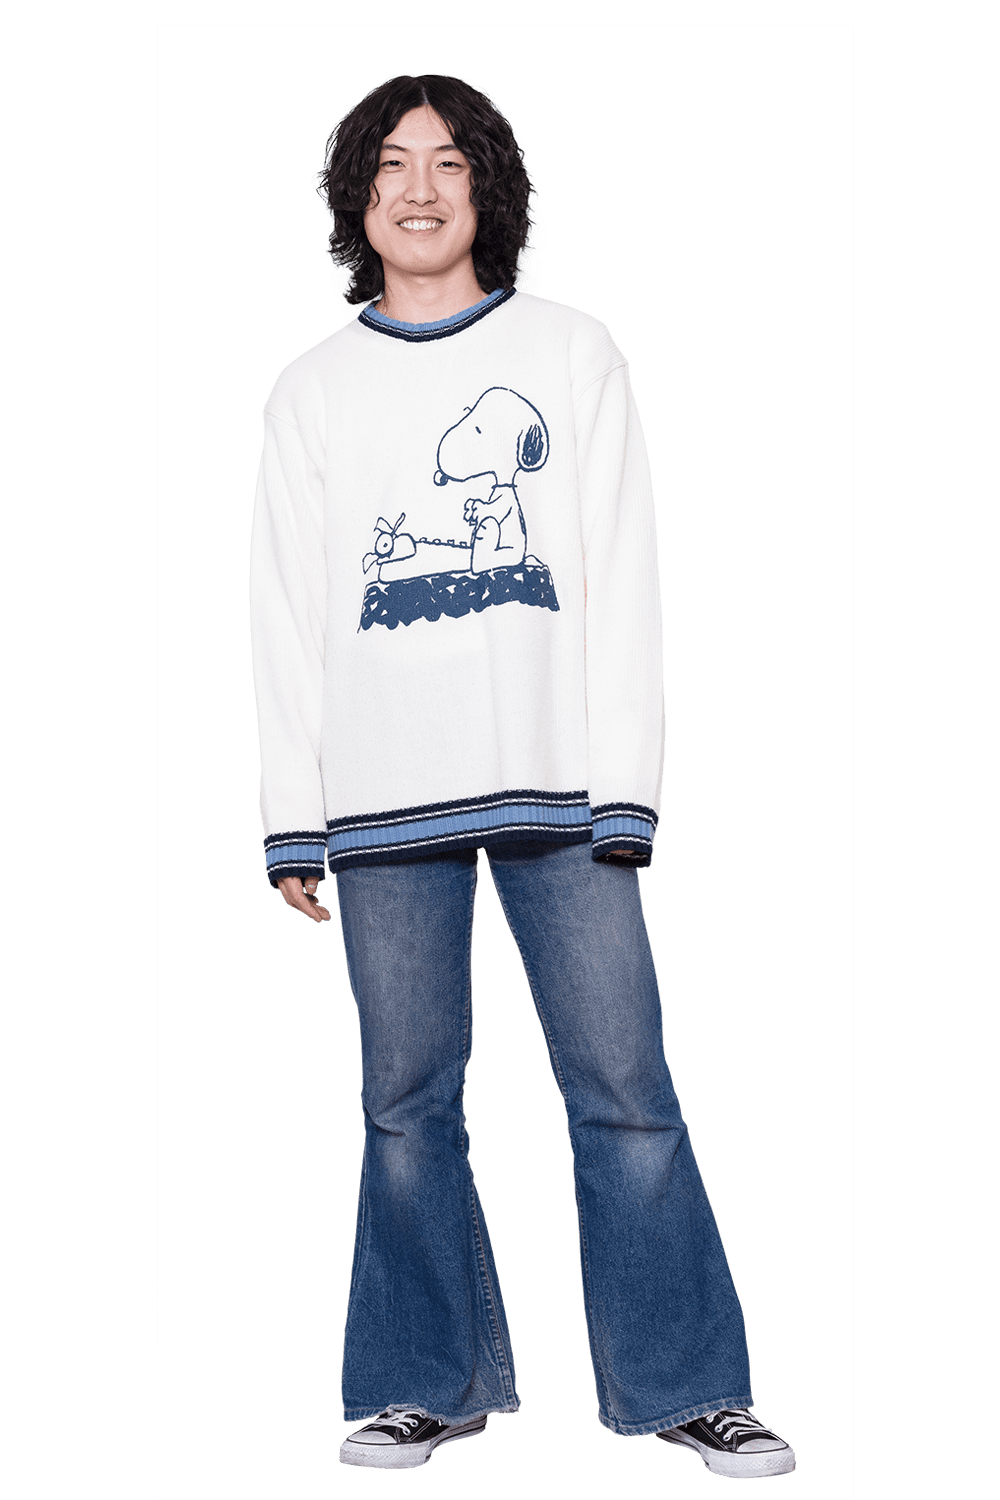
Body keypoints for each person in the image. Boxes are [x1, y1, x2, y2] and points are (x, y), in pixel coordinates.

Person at [249, 71, 795, 1482]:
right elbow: (283, 611)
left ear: (489, 189)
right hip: (380, 799)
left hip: (561, 790)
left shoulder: (573, 353)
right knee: (403, 1103)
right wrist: (291, 813)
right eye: (390, 165)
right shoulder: (311, 392)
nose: (418, 189)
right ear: (355, 199)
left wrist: (629, 785)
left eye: (449, 162)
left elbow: (625, 574)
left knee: (625, 1087)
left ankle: (690, 1387)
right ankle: (421, 1385)